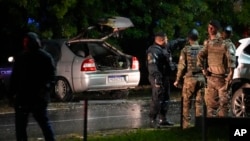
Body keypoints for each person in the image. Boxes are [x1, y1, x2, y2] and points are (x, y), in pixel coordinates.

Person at [8, 32, 56, 141]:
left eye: (27, 42)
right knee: (41, 124)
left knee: (26, 126)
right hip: (30, 97)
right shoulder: (28, 57)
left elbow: (51, 76)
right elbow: (15, 77)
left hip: (32, 97)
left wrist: (46, 88)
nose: (25, 44)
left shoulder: (37, 57)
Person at [197, 20, 236, 117]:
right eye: (209, 27)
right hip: (211, 79)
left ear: (217, 29)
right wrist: (203, 69)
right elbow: (200, 55)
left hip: (223, 80)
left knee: (223, 106)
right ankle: (212, 130)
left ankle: (221, 129)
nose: (209, 29)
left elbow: (232, 63)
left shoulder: (225, 43)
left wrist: (229, 78)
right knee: (210, 107)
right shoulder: (210, 42)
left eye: (212, 27)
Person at [146, 31, 185, 128]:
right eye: (166, 39)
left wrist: (183, 40)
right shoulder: (153, 51)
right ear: (162, 40)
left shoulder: (164, 47)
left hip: (165, 76)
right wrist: (157, 78)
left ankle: (163, 118)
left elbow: (173, 43)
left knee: (166, 98)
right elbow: (152, 66)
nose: (168, 41)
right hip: (157, 77)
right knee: (157, 98)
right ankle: (152, 120)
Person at [173, 28, 204, 129]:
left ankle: (186, 126)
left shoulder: (185, 50)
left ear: (188, 38)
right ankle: (199, 126)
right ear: (197, 38)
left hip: (190, 79)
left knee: (186, 103)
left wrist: (177, 79)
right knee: (199, 103)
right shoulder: (203, 49)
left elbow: (181, 66)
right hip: (202, 79)